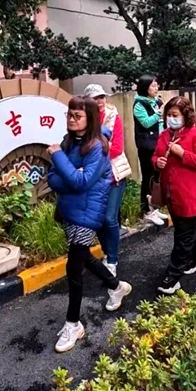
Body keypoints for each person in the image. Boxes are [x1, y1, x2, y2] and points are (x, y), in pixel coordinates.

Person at [47, 96, 132, 353]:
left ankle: (74, 324)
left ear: (91, 118)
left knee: (73, 269)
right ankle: (116, 286)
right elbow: (54, 178)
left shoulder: (98, 147)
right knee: (83, 258)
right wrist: (68, 174)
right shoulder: (69, 141)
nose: (71, 120)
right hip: (70, 210)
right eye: (69, 115)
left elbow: (80, 183)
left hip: (87, 214)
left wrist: (59, 158)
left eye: (77, 116)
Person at [153, 96, 196, 295]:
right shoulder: (164, 135)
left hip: (190, 194)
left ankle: (173, 275)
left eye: (174, 115)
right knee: (184, 230)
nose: (171, 119)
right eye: (168, 115)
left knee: (183, 235)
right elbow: (155, 155)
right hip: (171, 193)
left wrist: (181, 153)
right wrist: (157, 162)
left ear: (186, 115)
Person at [84, 84, 131, 276]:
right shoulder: (83, 120)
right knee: (99, 219)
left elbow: (117, 148)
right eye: (95, 98)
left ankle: (112, 259)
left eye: (102, 97)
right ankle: (107, 251)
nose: (100, 101)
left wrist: (92, 153)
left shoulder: (113, 118)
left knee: (110, 218)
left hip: (113, 175)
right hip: (93, 178)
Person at [133, 74, 168, 227]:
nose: (157, 88)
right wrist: (159, 112)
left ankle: (154, 206)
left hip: (159, 144)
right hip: (147, 146)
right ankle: (146, 210)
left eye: (157, 85)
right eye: (153, 85)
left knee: (156, 177)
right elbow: (146, 123)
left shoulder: (156, 101)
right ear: (145, 87)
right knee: (147, 176)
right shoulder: (139, 104)